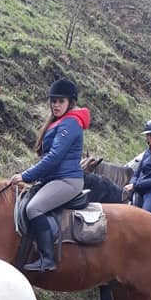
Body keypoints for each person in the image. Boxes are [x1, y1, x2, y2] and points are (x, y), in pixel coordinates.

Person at [9, 78, 90, 271]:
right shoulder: (60, 122)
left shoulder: (70, 124)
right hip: (55, 178)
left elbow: (54, 158)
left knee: (33, 209)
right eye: (53, 101)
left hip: (67, 181)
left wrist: (26, 176)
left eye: (60, 101)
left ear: (70, 102)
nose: (55, 104)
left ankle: (48, 258)